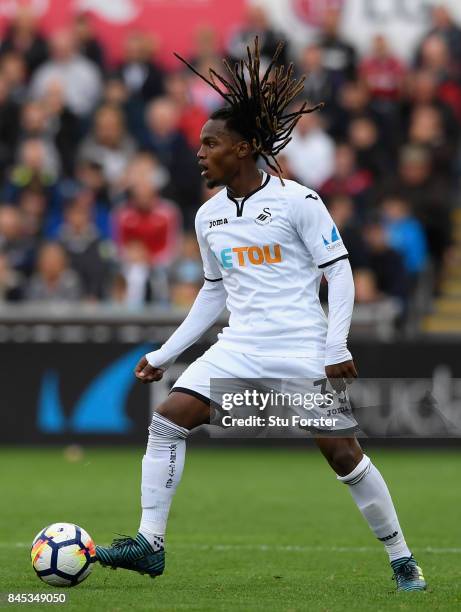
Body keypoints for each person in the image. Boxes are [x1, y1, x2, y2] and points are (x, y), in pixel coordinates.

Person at [95, 39, 427, 593]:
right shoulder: (208, 217)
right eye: (200, 144)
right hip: (238, 347)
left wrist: (336, 345)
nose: (200, 153)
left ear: (245, 147)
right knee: (169, 418)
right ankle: (150, 544)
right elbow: (213, 291)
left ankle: (402, 559)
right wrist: (165, 353)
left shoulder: (299, 201)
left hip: (299, 347)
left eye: (210, 144)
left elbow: (339, 272)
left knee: (344, 455)